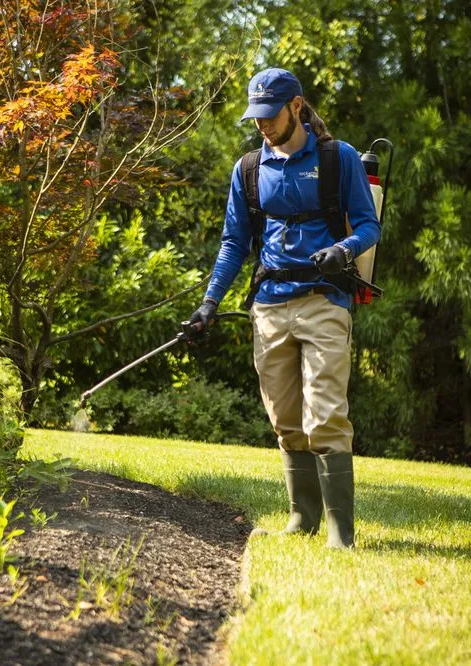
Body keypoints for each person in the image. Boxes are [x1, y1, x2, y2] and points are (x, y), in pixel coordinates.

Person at [187, 68, 381, 548]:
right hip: (270, 307)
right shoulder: (249, 169)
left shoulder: (340, 159)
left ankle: (341, 531)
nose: (262, 125)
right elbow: (234, 243)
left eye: (270, 115)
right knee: (286, 420)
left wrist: (344, 248)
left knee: (327, 416)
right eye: (256, 117)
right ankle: (303, 517)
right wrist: (209, 303)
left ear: (296, 107)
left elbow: (368, 225)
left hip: (323, 300)